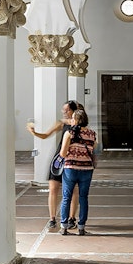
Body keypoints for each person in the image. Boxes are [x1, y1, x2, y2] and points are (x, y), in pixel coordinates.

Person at [26, 100, 80, 229]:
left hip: (73, 160)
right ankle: (52, 219)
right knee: (53, 188)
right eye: (64, 110)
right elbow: (45, 135)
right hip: (59, 159)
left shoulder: (79, 124)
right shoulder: (61, 123)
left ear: (73, 111)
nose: (64, 112)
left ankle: (72, 218)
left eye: (67, 110)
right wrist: (34, 133)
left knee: (73, 191)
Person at [59, 107, 97, 236]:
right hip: (87, 170)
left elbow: (63, 153)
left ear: (75, 120)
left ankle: (64, 227)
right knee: (83, 197)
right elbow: (93, 149)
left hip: (70, 169)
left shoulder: (69, 133)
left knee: (66, 197)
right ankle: (81, 227)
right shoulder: (92, 134)